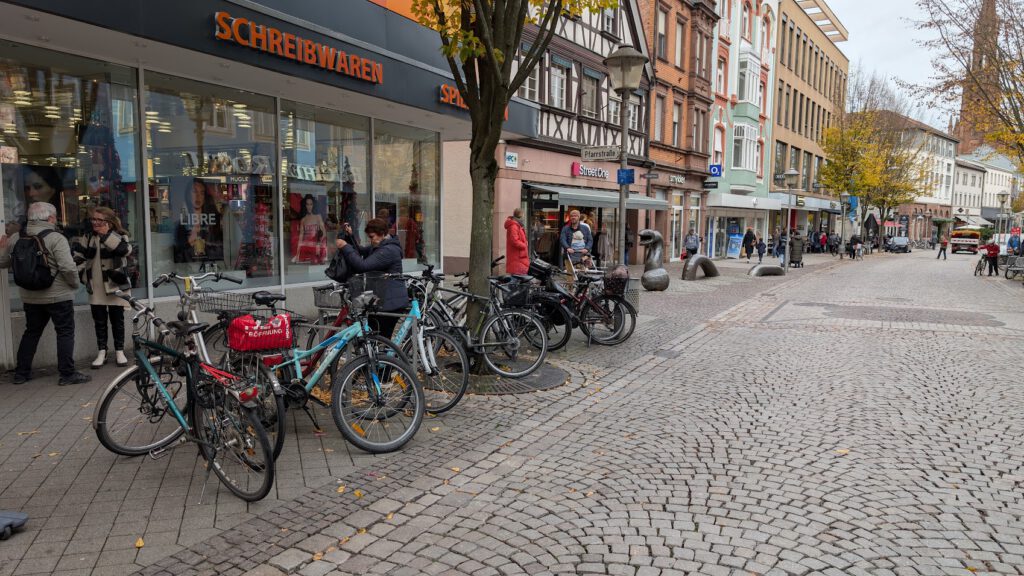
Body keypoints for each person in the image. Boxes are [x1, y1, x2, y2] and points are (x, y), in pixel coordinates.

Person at [0, 202, 90, 386]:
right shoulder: (56, 238)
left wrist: (3, 246)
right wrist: (74, 285)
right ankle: (67, 374)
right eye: (55, 217)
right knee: (64, 332)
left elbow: (3, 262)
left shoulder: (17, 237)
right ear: (50, 218)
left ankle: (21, 373)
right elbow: (67, 267)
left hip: (30, 296)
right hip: (58, 296)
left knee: (31, 332)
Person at [73, 207, 133, 369]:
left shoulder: (119, 236)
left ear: (109, 222)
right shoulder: (87, 237)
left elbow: (124, 251)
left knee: (117, 319)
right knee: (99, 320)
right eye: (93, 219)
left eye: (99, 220)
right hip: (96, 285)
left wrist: (106, 236)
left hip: (114, 284)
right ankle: (102, 351)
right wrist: (83, 276)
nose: (95, 223)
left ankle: (120, 351)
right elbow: (78, 257)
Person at [336, 218, 408, 338]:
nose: (371, 240)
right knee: (376, 336)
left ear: (383, 233)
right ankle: (381, 355)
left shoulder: (388, 250)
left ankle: (384, 356)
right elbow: (361, 251)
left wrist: (345, 247)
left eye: (372, 236)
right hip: (384, 299)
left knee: (380, 337)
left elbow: (363, 266)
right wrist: (351, 236)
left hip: (389, 302)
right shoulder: (382, 245)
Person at [293, 194, 327, 264]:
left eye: (311, 204)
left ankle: (319, 256)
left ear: (313, 205)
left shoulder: (318, 217)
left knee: (316, 261)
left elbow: (324, 232)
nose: (309, 206)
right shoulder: (303, 220)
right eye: (307, 204)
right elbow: (301, 236)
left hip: (316, 245)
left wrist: (319, 243)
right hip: (307, 246)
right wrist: (297, 252)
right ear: (305, 205)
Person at [504, 208, 529, 275]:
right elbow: (514, 241)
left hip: (519, 257)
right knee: (517, 279)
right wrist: (524, 245)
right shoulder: (514, 226)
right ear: (519, 216)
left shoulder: (517, 225)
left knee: (519, 279)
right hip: (517, 257)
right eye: (523, 216)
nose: (524, 218)